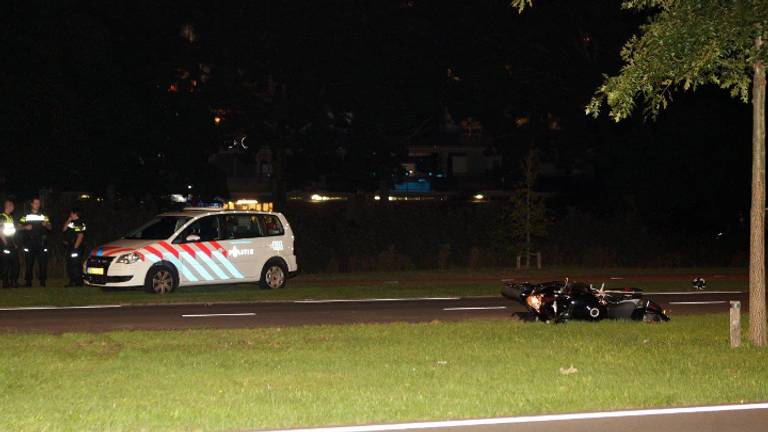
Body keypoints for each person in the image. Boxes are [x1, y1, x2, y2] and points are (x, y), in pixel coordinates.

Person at [19, 197, 51, 287]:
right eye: (36, 203)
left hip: (41, 242)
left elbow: (50, 227)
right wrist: (25, 227)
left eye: (39, 203)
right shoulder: (26, 215)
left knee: (42, 263)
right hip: (29, 242)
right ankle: (28, 282)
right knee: (29, 263)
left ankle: (42, 282)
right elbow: (18, 226)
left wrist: (46, 225)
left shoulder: (43, 215)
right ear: (32, 204)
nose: (37, 205)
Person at [62, 207, 86, 287]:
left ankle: (78, 282)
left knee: (75, 264)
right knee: (70, 264)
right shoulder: (71, 222)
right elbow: (64, 229)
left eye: (71, 213)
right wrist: (68, 220)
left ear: (75, 214)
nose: (70, 214)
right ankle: (72, 281)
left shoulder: (79, 223)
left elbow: (80, 236)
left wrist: (75, 249)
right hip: (70, 246)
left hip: (76, 247)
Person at [0, 199, 20, 288]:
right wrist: (6, 243)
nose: (13, 207)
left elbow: (11, 232)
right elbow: (0, 231)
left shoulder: (10, 217)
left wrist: (14, 243)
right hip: (5, 244)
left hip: (11, 243)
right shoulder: (2, 217)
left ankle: (14, 282)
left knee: (15, 263)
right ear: (8, 206)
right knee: (5, 264)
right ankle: (5, 283)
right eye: (12, 206)